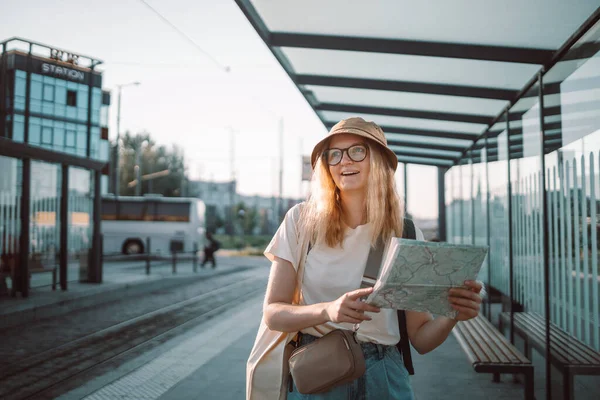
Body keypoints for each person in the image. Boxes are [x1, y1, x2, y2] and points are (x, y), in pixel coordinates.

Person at [247, 117, 482, 399]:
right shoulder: (300, 221)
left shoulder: (405, 231)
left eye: (357, 150)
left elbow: (420, 337)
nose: (345, 161)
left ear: (379, 162)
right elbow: (273, 313)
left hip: (384, 376)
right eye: (334, 154)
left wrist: (451, 316)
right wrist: (328, 310)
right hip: (318, 373)